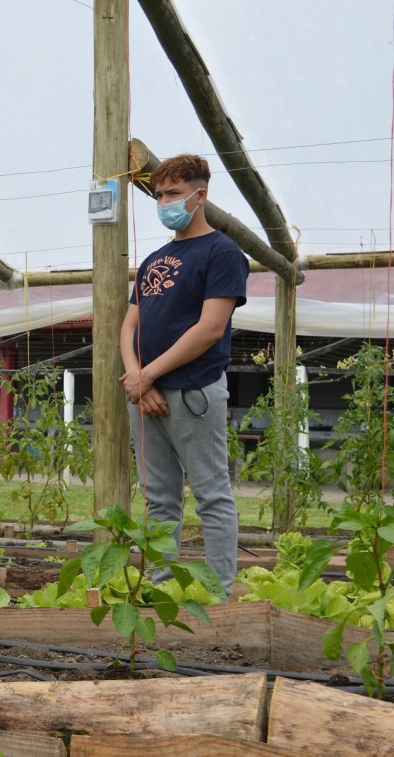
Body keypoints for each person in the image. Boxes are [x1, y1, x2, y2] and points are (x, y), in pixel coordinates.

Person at [119, 154, 249, 598]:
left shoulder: (223, 252)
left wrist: (148, 375)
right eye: (158, 195)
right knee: (159, 499)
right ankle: (159, 590)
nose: (164, 203)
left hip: (194, 392)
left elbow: (210, 328)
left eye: (173, 193)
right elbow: (129, 326)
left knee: (211, 494)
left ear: (200, 195)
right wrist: (139, 378)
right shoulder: (155, 259)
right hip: (146, 392)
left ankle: (219, 594)